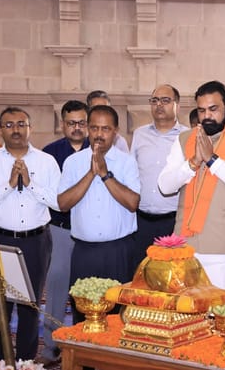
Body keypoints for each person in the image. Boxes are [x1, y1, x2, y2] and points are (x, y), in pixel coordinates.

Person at [0, 107, 61, 361]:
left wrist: (30, 184)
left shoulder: (46, 161)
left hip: (36, 241)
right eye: (9, 125)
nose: (16, 130)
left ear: (30, 128)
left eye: (21, 124)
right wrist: (8, 185)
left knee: (30, 306)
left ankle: (26, 361)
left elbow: (59, 203)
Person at [158, 80, 225, 298]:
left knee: (224, 311)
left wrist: (213, 160)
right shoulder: (184, 139)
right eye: (202, 110)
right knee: (188, 311)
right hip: (186, 246)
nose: (207, 116)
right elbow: (165, 186)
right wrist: (192, 163)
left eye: (213, 109)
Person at [58, 104, 140, 322]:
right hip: (84, 253)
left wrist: (104, 174)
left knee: (118, 317)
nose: (99, 134)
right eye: (94, 128)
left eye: (105, 129)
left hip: (118, 252)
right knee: (83, 315)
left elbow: (133, 203)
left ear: (115, 131)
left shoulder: (126, 162)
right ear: (87, 128)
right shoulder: (73, 162)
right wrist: (90, 174)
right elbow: (63, 204)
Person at [39, 100, 89, 365]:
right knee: (57, 289)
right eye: (72, 123)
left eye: (82, 123)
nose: (77, 128)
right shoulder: (50, 154)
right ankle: (51, 348)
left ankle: (87, 346)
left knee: (89, 293)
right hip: (60, 230)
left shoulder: (100, 149)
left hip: (91, 234)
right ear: (62, 124)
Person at [131, 85, 189, 266]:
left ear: (177, 105)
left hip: (173, 222)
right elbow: (132, 173)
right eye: (155, 100)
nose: (159, 105)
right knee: (140, 272)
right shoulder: (139, 134)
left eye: (165, 100)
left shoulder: (187, 136)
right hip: (141, 221)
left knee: (172, 274)